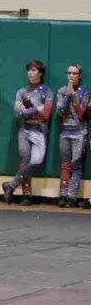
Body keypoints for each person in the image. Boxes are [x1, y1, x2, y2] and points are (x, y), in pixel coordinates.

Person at [2, 60, 53, 206]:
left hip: (40, 130)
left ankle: (11, 185)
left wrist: (26, 111)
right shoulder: (22, 92)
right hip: (24, 130)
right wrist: (36, 109)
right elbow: (18, 114)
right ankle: (27, 194)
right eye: (29, 70)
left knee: (36, 161)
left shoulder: (47, 91)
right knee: (24, 161)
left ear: (40, 73)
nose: (30, 73)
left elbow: (46, 114)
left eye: (34, 70)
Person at [56, 64, 89, 208]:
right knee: (65, 165)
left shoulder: (85, 91)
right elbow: (60, 111)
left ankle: (71, 196)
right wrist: (67, 95)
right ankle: (63, 194)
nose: (71, 76)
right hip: (64, 132)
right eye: (69, 73)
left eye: (74, 73)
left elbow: (81, 113)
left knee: (76, 166)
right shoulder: (61, 91)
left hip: (80, 133)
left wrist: (74, 94)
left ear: (79, 76)